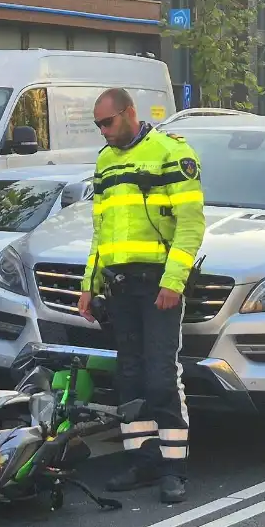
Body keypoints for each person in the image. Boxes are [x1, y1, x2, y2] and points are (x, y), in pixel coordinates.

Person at [77, 88, 205, 504]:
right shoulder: (104, 161)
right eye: (97, 125)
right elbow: (100, 232)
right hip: (119, 286)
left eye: (107, 123)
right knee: (128, 376)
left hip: (157, 285)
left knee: (161, 376)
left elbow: (190, 225)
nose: (103, 132)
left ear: (129, 113)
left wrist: (174, 280)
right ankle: (142, 462)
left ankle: (174, 469)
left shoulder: (171, 153)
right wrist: (88, 286)